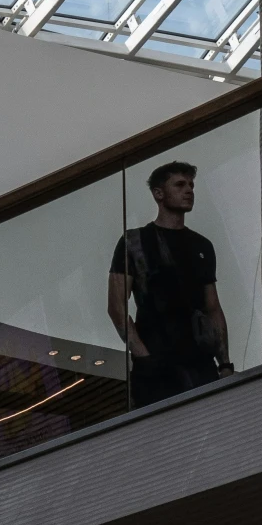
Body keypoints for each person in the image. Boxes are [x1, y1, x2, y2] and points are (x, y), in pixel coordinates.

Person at [108, 161, 234, 408]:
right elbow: (116, 307)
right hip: (156, 365)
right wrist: (143, 357)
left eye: (191, 185)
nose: (189, 190)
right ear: (158, 193)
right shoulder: (135, 242)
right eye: (180, 184)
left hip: (200, 363)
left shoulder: (202, 246)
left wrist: (225, 364)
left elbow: (213, 307)